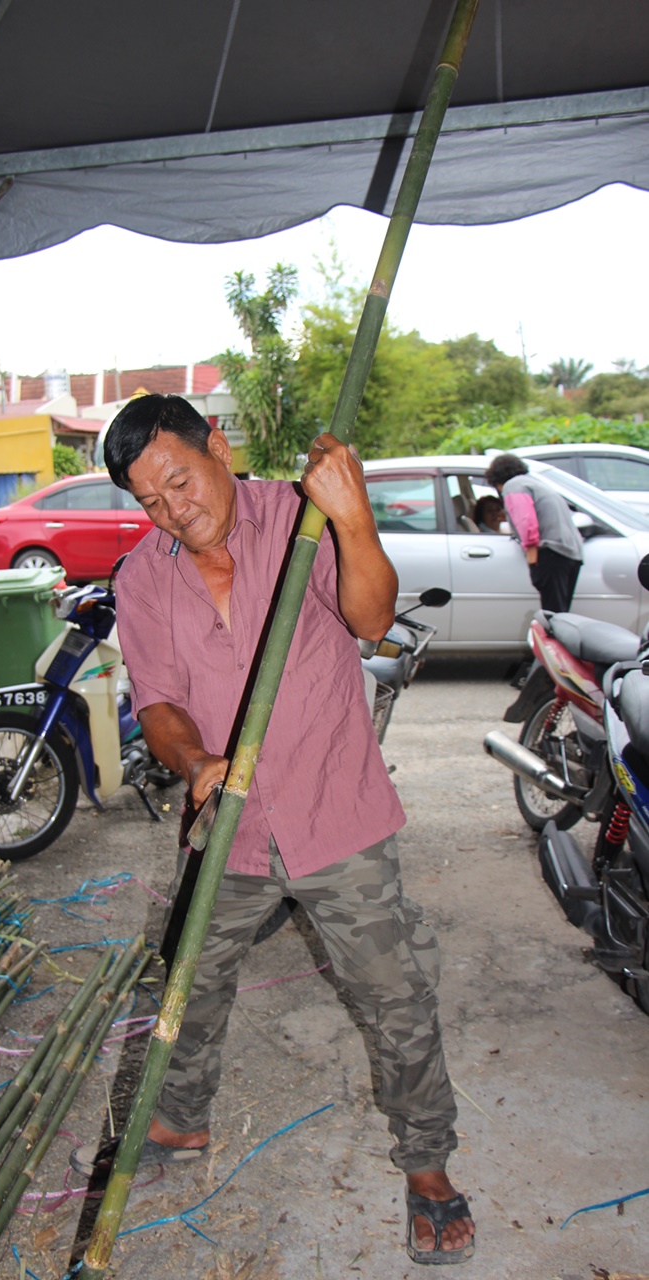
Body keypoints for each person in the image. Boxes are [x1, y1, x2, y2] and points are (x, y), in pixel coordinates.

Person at [93, 393, 475, 1264]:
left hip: (336, 809)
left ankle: (427, 1167)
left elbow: (374, 623)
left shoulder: (301, 519)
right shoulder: (143, 577)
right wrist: (194, 765)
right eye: (149, 501)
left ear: (216, 445)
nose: (172, 509)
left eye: (179, 481)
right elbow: (156, 700)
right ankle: (181, 1123)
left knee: (394, 993)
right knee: (186, 981)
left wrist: (354, 517)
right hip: (231, 821)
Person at [484, 453, 584, 612]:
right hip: (570, 553)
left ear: (496, 480)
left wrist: (531, 555)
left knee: (552, 615)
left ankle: (550, 637)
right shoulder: (535, 484)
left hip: (551, 553)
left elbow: (526, 521)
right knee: (561, 612)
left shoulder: (513, 486)